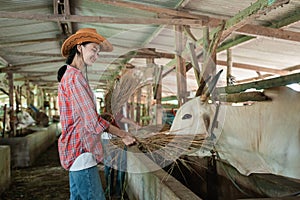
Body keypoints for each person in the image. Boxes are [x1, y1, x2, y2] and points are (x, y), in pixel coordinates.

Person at [57, 28, 136, 200]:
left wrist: (101, 117)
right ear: (79, 47)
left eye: (98, 52)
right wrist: (123, 134)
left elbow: (84, 117)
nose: (96, 55)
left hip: (76, 151)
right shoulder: (74, 78)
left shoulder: (72, 76)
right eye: (94, 49)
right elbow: (92, 123)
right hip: (81, 150)